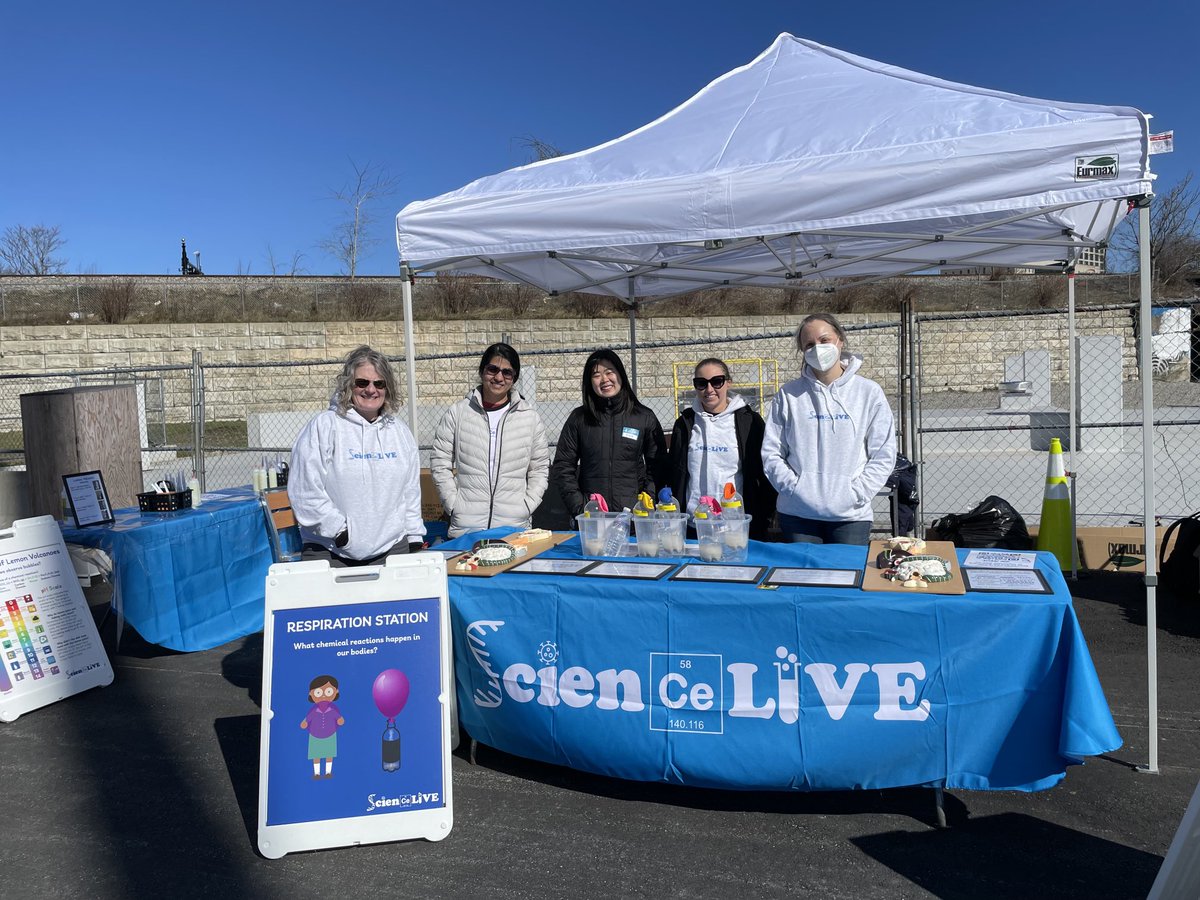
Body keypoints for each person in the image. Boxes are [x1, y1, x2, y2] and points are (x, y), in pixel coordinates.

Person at [762, 314, 896, 545]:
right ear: (802, 351)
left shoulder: (868, 392)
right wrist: (795, 489)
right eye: (810, 345)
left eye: (824, 340)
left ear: (840, 340)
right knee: (802, 579)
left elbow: (883, 453)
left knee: (847, 577)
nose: (818, 349)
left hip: (850, 517)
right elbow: (772, 452)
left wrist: (856, 494)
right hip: (798, 515)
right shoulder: (789, 394)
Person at [289, 345, 425, 565]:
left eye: (379, 383)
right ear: (348, 385)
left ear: (387, 388)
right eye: (362, 382)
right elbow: (304, 489)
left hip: (391, 550)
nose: (371, 390)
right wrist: (339, 530)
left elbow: (409, 491)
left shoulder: (399, 432)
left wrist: (414, 534)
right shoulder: (324, 426)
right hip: (331, 550)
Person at [430, 342, 550, 539]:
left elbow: (539, 467)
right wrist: (453, 504)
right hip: (467, 530)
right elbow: (439, 462)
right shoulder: (458, 413)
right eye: (492, 369)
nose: (499, 377)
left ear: (514, 378)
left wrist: (527, 505)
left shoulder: (529, 418)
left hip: (514, 529)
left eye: (507, 372)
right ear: (482, 371)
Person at [667, 358, 776, 540]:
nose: (709, 390)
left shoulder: (749, 422)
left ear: (728, 383)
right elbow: (674, 473)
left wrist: (765, 513)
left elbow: (764, 472)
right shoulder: (685, 423)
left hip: (736, 525)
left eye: (717, 381)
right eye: (701, 383)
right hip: (696, 524)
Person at [551, 348, 666, 516]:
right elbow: (563, 466)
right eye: (596, 375)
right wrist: (581, 507)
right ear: (589, 382)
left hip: (634, 518)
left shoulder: (643, 417)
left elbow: (658, 464)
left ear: (620, 375)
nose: (604, 380)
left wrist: (647, 499)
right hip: (592, 519)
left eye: (609, 372)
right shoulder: (579, 418)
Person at [300, 674, 344, 780]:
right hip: (315, 736)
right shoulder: (314, 711)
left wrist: (340, 720)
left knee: (329, 755)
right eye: (318, 692)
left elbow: (339, 719)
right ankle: (317, 773)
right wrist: (304, 723)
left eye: (328, 691)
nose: (323, 696)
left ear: (336, 692)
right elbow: (307, 720)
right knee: (316, 756)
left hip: (330, 735)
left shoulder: (332, 710)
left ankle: (328, 772)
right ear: (311, 694)